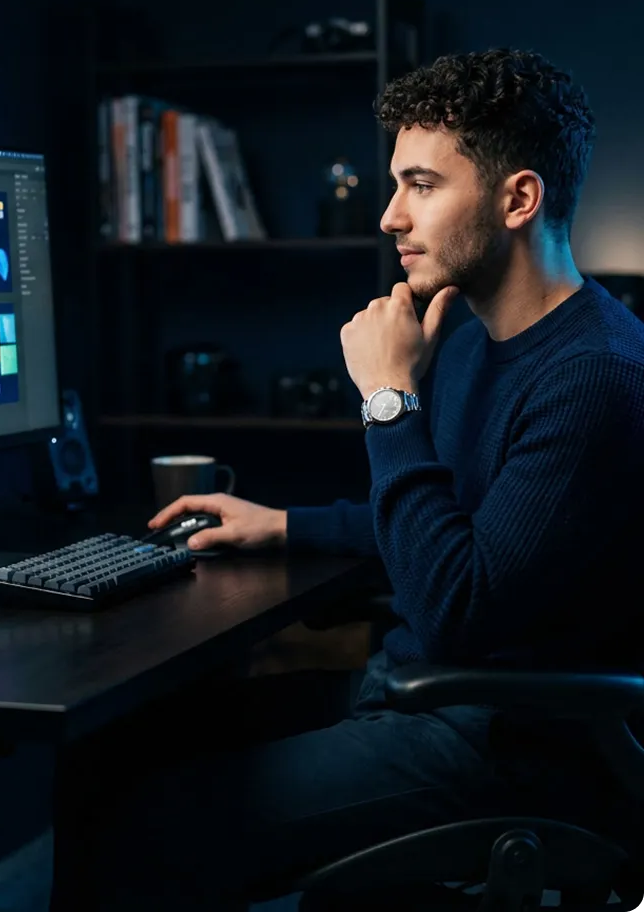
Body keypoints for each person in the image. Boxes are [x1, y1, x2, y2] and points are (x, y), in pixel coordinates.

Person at [58, 50, 644, 911]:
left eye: (420, 185)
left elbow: (455, 604)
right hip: (423, 697)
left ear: (519, 199)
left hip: (512, 738)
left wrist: (388, 398)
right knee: (115, 748)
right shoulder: (477, 333)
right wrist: (289, 525)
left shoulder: (595, 375)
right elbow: (463, 526)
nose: (389, 216)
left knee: (154, 827)